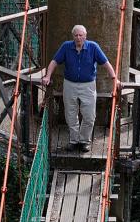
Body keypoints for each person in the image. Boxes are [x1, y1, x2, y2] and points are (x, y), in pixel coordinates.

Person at [42, 24, 118, 152]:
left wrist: (115, 80)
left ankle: (84, 141)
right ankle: (74, 140)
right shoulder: (66, 46)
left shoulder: (93, 47)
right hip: (69, 84)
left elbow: (106, 64)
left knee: (89, 115)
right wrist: (47, 76)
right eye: (76, 35)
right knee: (70, 113)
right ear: (73, 36)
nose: (78, 38)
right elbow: (54, 61)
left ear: (85, 36)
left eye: (81, 35)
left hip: (88, 86)